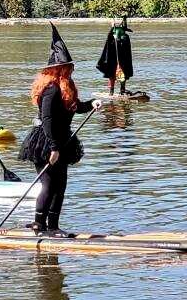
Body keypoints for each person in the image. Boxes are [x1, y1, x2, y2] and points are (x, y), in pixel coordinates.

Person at [19, 24, 103, 237]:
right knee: (49, 185)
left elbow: (75, 108)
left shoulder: (66, 88)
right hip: (47, 142)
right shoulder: (51, 89)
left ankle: (53, 226)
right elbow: (47, 119)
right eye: (67, 67)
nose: (70, 69)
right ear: (57, 69)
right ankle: (40, 225)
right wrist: (54, 148)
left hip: (63, 140)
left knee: (61, 185)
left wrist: (91, 104)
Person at [96, 17, 134, 96]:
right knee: (112, 72)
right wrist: (113, 28)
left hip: (122, 55)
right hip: (113, 55)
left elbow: (127, 52)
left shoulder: (125, 37)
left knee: (123, 71)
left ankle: (122, 90)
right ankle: (112, 91)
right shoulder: (112, 37)